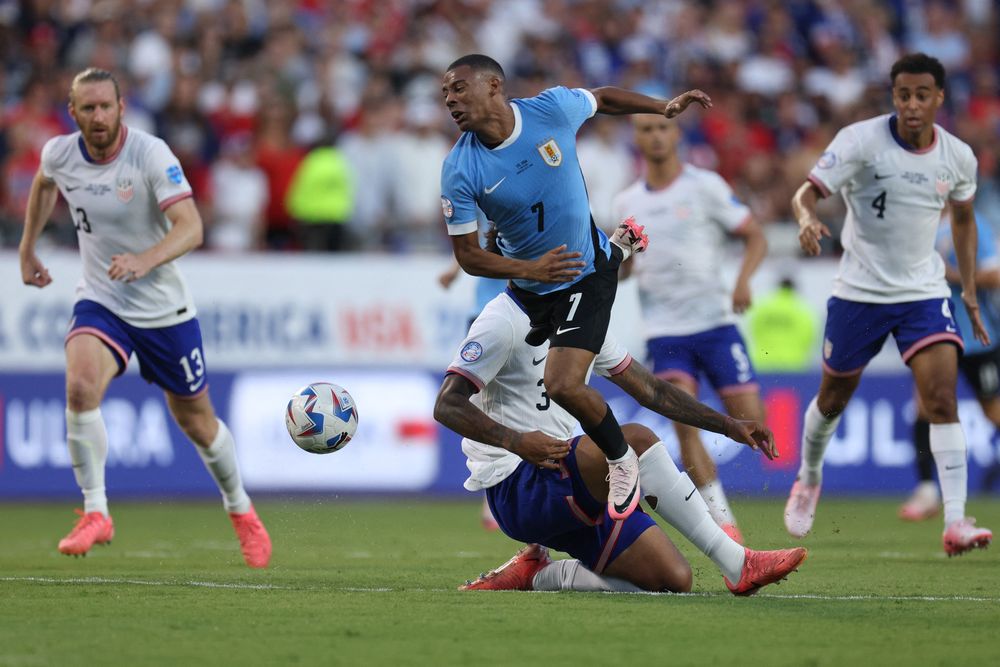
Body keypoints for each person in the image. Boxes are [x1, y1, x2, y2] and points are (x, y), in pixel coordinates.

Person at [17, 68, 271, 568]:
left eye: (104, 107)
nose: (97, 117)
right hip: (102, 298)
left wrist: (145, 259)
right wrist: (28, 248)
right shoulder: (60, 153)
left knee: (197, 422)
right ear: (72, 113)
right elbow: (45, 185)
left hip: (163, 309)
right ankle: (95, 511)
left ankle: (241, 509)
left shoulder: (150, 154)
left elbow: (192, 227)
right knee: (80, 386)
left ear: (121, 107)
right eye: (86, 108)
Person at [439, 53, 711, 521]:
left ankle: (622, 461)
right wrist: (531, 268)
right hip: (530, 295)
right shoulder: (460, 168)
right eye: (444, 93)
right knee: (553, 387)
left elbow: (602, 97)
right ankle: (587, 465)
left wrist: (661, 106)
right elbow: (467, 256)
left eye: (458, 88)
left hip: (585, 275)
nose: (449, 100)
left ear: (493, 85)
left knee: (564, 384)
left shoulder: (550, 110)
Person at [434, 287, 807, 595]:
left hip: (571, 475)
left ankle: (537, 574)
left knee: (672, 581)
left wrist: (726, 424)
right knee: (636, 441)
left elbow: (649, 389)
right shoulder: (501, 320)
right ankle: (739, 563)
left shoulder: (579, 320)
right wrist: (516, 442)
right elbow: (447, 404)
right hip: (518, 484)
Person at [785, 53, 993, 555]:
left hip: (922, 293)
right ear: (893, 96)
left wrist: (967, 289)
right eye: (904, 95)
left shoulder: (958, 157)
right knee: (832, 399)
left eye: (923, 95)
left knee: (942, 399)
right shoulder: (860, 141)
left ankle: (956, 520)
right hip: (859, 291)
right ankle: (809, 476)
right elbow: (805, 194)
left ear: (939, 97)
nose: (913, 105)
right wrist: (805, 220)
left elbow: (963, 222)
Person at [614, 114, 769, 543]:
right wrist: (620, 256)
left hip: (716, 324)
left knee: (751, 419)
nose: (655, 136)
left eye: (662, 128)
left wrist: (742, 281)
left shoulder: (706, 186)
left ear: (676, 135)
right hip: (665, 332)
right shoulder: (626, 200)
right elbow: (624, 272)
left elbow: (755, 235)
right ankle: (725, 523)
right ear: (637, 139)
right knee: (684, 423)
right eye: (646, 129)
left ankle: (723, 512)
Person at [901, 211, 1000, 520]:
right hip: (931, 333)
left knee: (993, 411)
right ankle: (928, 490)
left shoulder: (971, 224)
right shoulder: (913, 223)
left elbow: (995, 276)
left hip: (975, 336)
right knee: (923, 407)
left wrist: (953, 275)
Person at [746, 277, 819, 372]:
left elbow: (753, 331)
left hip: (762, 363)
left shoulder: (763, 307)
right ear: (794, 290)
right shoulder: (802, 311)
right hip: (793, 365)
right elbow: (810, 338)